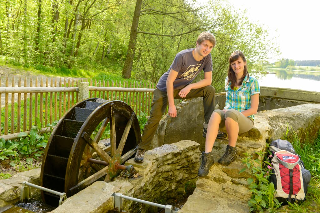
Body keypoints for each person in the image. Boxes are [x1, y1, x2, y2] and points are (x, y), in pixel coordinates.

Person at [134, 31, 218, 163]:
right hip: (164, 89)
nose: (207, 49)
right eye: (205, 45)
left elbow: (208, 81)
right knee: (155, 118)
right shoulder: (182, 56)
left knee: (209, 90)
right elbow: (169, 81)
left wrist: (190, 87)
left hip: (182, 88)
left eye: (210, 47)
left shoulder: (207, 57)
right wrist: (171, 106)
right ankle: (141, 148)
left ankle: (208, 125)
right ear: (197, 44)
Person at [198, 50, 260, 176]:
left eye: (239, 62)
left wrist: (233, 112)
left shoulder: (252, 82)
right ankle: (207, 157)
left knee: (231, 113)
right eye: (233, 64)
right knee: (215, 113)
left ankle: (231, 150)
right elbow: (228, 103)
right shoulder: (228, 80)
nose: (236, 66)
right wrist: (226, 111)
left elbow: (253, 109)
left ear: (244, 63)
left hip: (245, 120)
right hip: (228, 116)